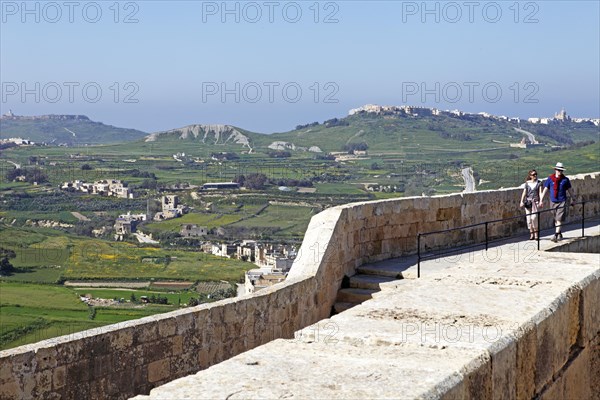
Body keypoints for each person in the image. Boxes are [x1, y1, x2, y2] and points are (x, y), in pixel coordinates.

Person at [540, 162, 576, 242]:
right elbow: (545, 189)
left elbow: (570, 190)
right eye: (559, 170)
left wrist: (574, 199)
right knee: (556, 219)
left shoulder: (565, 180)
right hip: (553, 201)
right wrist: (541, 200)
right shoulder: (550, 179)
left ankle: (555, 236)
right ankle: (559, 232)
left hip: (562, 201)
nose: (560, 171)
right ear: (555, 170)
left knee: (559, 219)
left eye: (561, 170)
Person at [520, 169, 543, 240]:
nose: (535, 176)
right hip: (528, 203)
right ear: (530, 176)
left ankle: (536, 234)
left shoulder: (539, 183)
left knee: (534, 218)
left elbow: (540, 193)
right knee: (529, 219)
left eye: (536, 174)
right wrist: (521, 201)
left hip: (535, 203)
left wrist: (541, 201)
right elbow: (524, 192)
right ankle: (532, 234)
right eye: (533, 175)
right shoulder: (527, 183)